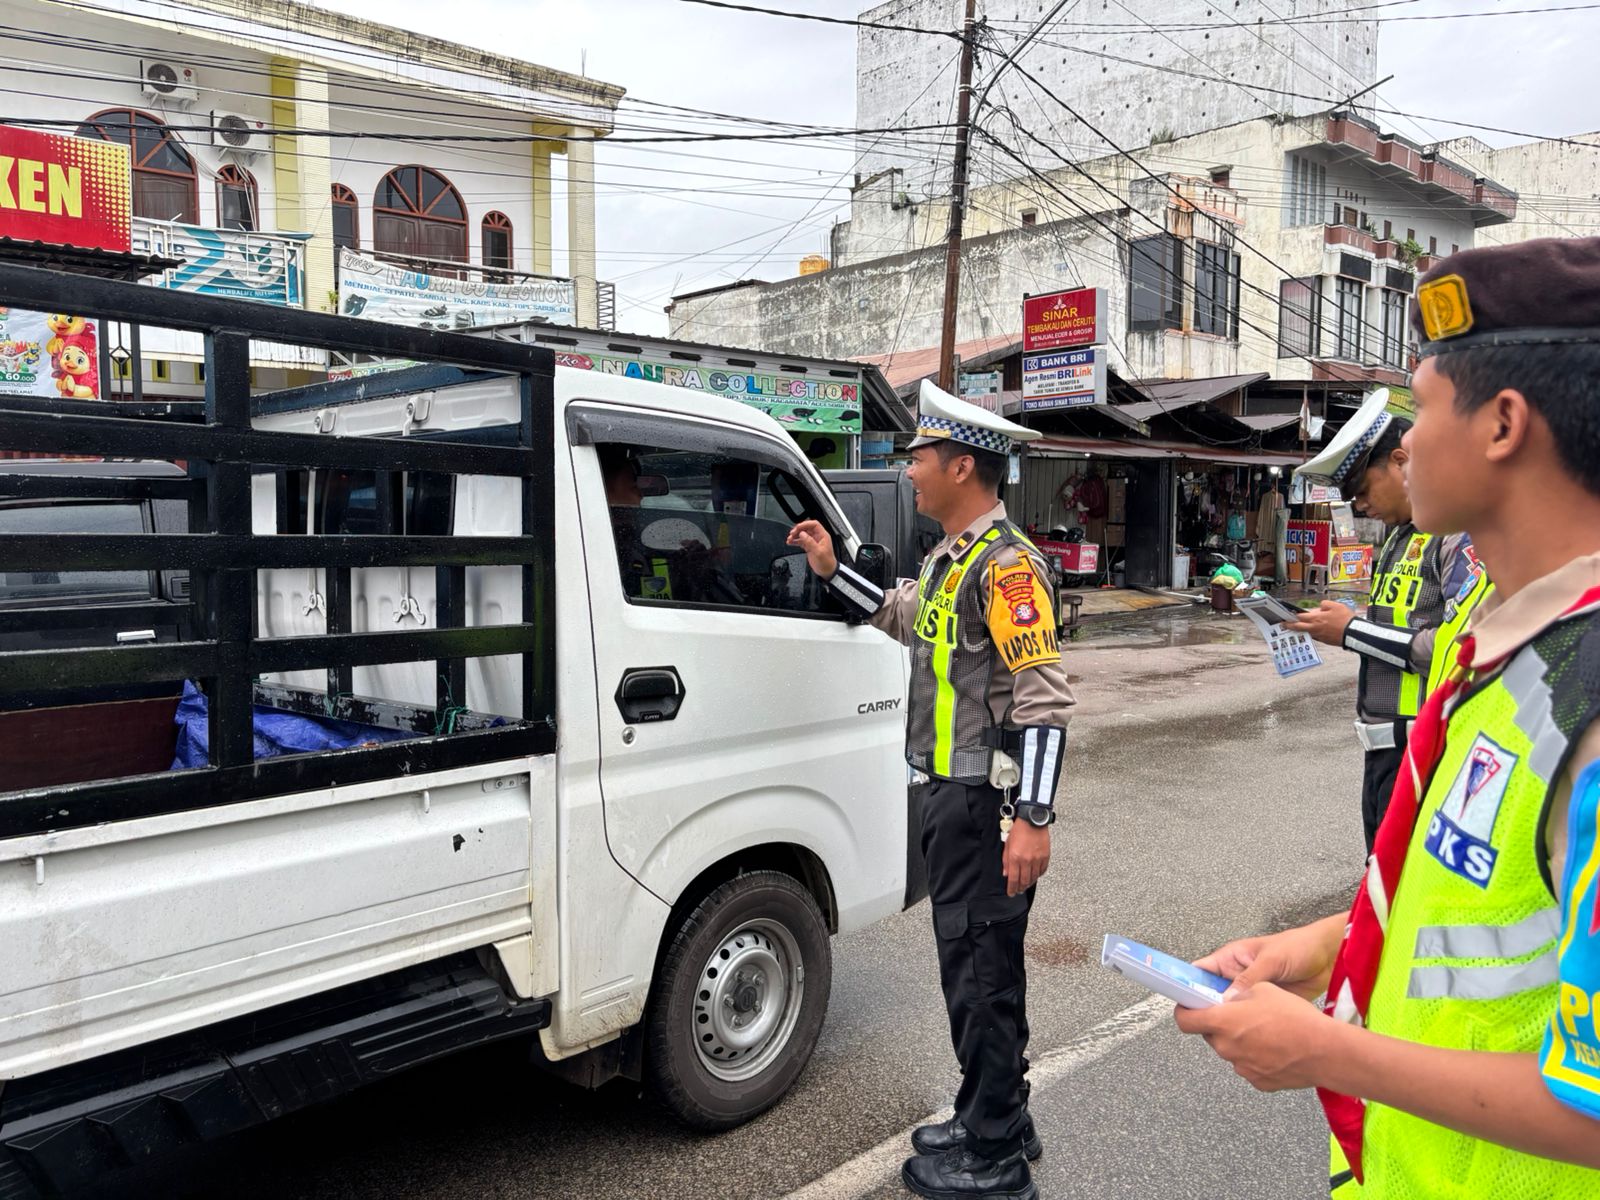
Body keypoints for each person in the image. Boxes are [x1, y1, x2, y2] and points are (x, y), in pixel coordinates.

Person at [1175, 236, 1600, 1197]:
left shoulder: (1588, 693)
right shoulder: (1492, 641)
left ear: (1502, 424)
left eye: (1424, 406)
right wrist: (1319, 946)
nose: (1402, 447)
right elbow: (1473, 907)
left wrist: (1328, 1053)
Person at [788, 380, 1075, 1200]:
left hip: (985, 806)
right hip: (951, 800)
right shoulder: (956, 561)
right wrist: (829, 570)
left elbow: (1044, 697)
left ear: (959, 464)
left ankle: (994, 1159)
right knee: (977, 968)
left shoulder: (1010, 568)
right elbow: (901, 613)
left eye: (915, 457)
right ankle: (998, 1112)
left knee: (982, 974)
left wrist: (1033, 817)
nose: (905, 470)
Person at [1288, 391, 1465, 853]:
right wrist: (1336, 624)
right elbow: (1398, 623)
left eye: (1363, 490)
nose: (1360, 505)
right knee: (1379, 874)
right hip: (1383, 744)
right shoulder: (1395, 539)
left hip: (1425, 746)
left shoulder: (1455, 536)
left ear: (1402, 462)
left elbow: (1455, 650)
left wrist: (1351, 630)